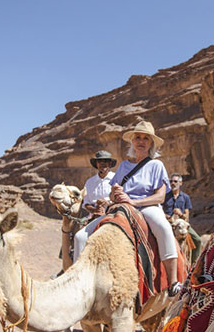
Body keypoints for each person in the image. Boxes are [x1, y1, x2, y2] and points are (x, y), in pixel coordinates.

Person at [73, 121, 181, 293]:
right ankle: (78, 282)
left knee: (164, 228)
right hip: (122, 207)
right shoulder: (123, 166)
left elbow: (160, 196)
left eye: (146, 138)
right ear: (132, 141)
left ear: (151, 143)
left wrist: (134, 202)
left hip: (147, 207)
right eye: (137, 137)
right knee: (80, 237)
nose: (141, 141)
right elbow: (111, 194)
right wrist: (115, 193)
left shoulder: (156, 165)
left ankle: (174, 281)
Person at [163, 174, 202, 264]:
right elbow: (159, 211)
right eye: (171, 181)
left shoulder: (185, 197)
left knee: (198, 240)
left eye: (175, 181)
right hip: (169, 223)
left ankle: (194, 264)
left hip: (182, 224)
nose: (173, 183)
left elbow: (186, 216)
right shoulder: (165, 196)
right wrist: (166, 216)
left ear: (180, 183)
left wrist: (180, 214)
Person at [83, 150, 116, 218]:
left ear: (110, 163)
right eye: (99, 161)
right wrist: (94, 210)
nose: (102, 163)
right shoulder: (89, 182)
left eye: (105, 161)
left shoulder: (117, 179)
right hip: (93, 217)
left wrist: (108, 203)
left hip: (113, 215)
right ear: (96, 164)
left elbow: (122, 199)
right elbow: (86, 202)